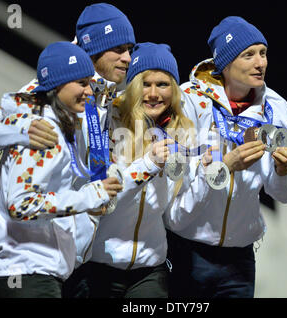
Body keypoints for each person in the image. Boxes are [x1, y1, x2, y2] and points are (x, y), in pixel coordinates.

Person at [0, 3, 136, 298]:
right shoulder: (52, 89)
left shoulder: (102, 96)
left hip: (74, 257)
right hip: (35, 261)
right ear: (94, 46)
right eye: (119, 48)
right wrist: (20, 130)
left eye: (130, 49)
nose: (128, 58)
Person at [164, 16, 287, 298]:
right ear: (226, 63)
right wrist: (224, 167)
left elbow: (283, 195)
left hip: (240, 258)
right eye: (248, 54)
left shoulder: (277, 109)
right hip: (187, 249)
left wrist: (283, 172)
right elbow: (175, 179)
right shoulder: (188, 100)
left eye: (263, 53)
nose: (260, 62)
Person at [82, 42, 206, 298]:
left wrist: (205, 179)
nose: (153, 93)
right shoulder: (109, 119)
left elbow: (175, 217)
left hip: (151, 269)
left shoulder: (183, 131)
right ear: (133, 85)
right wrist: (148, 164)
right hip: (100, 265)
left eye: (162, 84)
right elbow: (104, 199)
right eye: (145, 84)